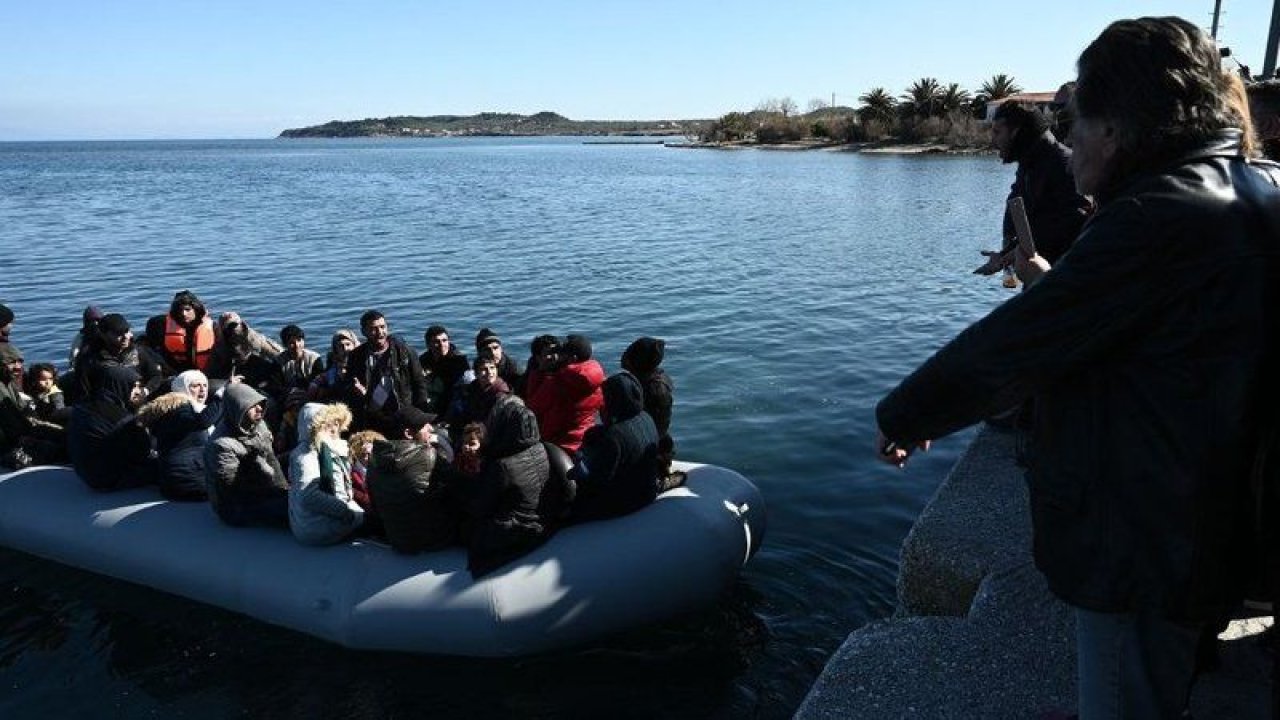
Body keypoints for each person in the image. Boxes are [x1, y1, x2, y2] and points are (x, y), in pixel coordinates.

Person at [875, 16, 1280, 719]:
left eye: (1072, 120)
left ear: (1116, 128)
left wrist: (905, 415)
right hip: (1217, 524)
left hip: (1145, 540)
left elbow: (1021, 340)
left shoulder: (1156, 216)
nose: (1066, 146)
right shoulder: (1258, 194)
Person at [973, 101, 1091, 278]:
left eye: (997, 132)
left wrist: (1017, 253)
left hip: (1066, 285)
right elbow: (1031, 223)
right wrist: (1007, 254)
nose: (993, 141)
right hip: (1045, 283)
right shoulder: (1030, 165)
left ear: (1016, 132)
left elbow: (1075, 222)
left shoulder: (1064, 165)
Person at [463, 395, 553, 577]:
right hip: (538, 518)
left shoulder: (503, 465)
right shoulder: (540, 448)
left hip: (516, 530)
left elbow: (480, 507)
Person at [569, 371, 661, 523]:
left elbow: (596, 479)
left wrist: (576, 469)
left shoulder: (613, 437)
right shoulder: (646, 417)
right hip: (647, 490)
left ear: (614, 400)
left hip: (627, 503)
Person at [366, 406, 457, 554]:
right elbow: (461, 487)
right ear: (408, 433)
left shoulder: (374, 462)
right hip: (436, 539)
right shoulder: (429, 456)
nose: (430, 428)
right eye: (424, 426)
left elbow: (375, 506)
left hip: (397, 541)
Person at [205, 383, 289, 527]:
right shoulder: (222, 444)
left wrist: (283, 490)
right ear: (238, 407)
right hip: (234, 506)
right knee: (290, 509)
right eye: (252, 406)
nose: (260, 409)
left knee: (294, 499)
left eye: (260, 404)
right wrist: (263, 473)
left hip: (260, 484)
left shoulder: (258, 424)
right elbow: (231, 489)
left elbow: (271, 457)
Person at [136, 370, 222, 501]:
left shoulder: (187, 409)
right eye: (195, 386)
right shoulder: (180, 410)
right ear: (182, 388)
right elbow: (202, 422)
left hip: (181, 481)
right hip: (189, 484)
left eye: (205, 385)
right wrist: (221, 396)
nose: (202, 389)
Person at [67, 364, 154, 491]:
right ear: (119, 386)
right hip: (109, 479)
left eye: (138, 386)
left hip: (87, 473)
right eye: (133, 386)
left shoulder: (84, 405)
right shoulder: (120, 418)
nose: (137, 392)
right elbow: (142, 451)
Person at [287, 403, 364, 546]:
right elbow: (309, 497)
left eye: (337, 421)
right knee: (366, 517)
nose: (335, 426)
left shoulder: (330, 446)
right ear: (315, 426)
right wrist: (344, 511)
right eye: (329, 422)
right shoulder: (306, 455)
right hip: (314, 526)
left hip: (316, 519)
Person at [343, 310, 429, 436]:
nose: (380, 332)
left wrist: (421, 417)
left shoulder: (405, 353)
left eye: (383, 327)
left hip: (402, 413)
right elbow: (349, 386)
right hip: (372, 416)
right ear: (363, 332)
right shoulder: (356, 356)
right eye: (373, 329)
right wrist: (357, 392)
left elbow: (419, 384)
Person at [525, 333, 604, 454]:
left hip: (558, 444)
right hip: (585, 438)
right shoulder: (597, 378)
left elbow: (532, 409)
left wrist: (537, 373)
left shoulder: (557, 382)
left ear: (573, 358)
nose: (558, 357)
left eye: (562, 353)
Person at [155, 290, 216, 373]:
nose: (183, 313)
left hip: (206, 372)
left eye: (188, 309)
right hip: (175, 370)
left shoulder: (213, 327)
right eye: (180, 310)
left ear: (196, 309)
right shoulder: (160, 325)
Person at [419, 324, 469, 418]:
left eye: (444, 340)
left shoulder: (459, 361)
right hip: (431, 397)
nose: (442, 345)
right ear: (428, 344)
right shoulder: (423, 360)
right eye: (436, 342)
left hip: (452, 402)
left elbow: (457, 391)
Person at [307, 328, 359, 402]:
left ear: (354, 345)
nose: (345, 349)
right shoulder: (334, 361)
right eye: (341, 346)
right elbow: (327, 376)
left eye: (348, 344)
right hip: (337, 395)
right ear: (336, 350)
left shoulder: (362, 358)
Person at [276, 324, 323, 391]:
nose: (297, 345)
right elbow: (277, 385)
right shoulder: (279, 361)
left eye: (299, 340)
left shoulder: (315, 358)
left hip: (311, 394)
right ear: (285, 344)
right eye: (291, 343)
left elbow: (320, 381)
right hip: (289, 395)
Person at [475, 328, 522, 392]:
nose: (493, 353)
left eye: (495, 347)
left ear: (501, 349)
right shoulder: (478, 366)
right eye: (487, 349)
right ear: (479, 353)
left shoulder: (513, 369)